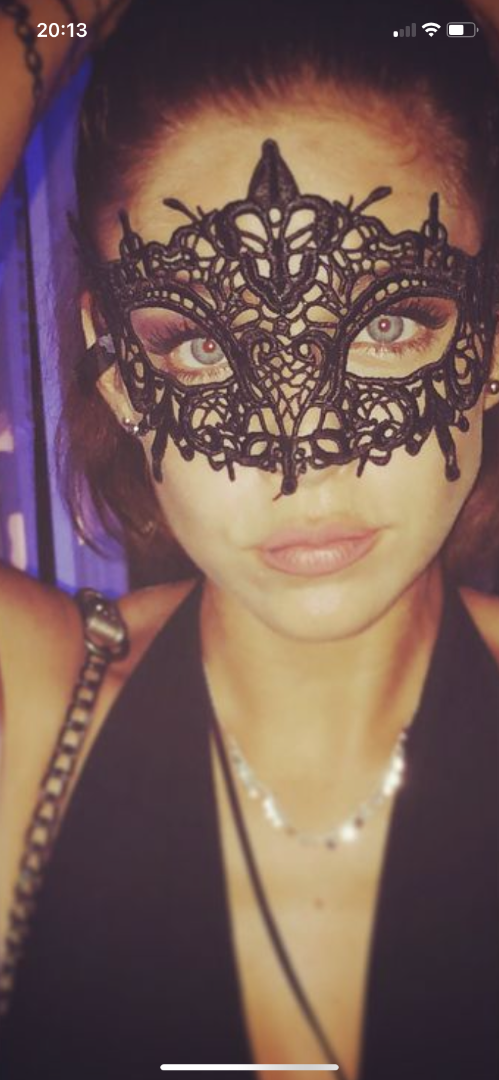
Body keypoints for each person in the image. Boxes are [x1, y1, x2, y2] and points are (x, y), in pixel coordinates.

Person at [0, 1, 498, 1077]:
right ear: (113, 365)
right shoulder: (32, 728)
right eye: (198, 344)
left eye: (385, 323)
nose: (299, 464)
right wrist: (53, 20)